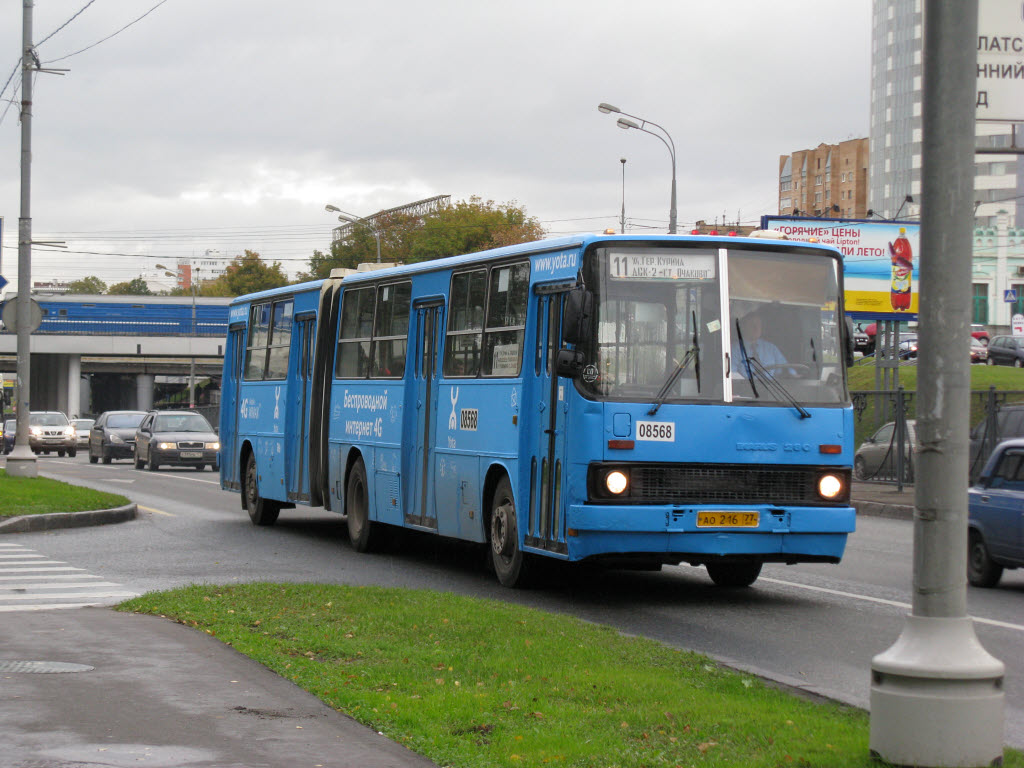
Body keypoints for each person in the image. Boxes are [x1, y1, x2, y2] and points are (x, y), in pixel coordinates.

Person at [731, 308, 789, 377]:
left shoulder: (771, 348)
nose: (756, 328)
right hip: (746, 387)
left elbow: (786, 369)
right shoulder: (734, 349)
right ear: (743, 327)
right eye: (752, 324)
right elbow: (732, 375)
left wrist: (794, 376)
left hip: (772, 387)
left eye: (759, 324)